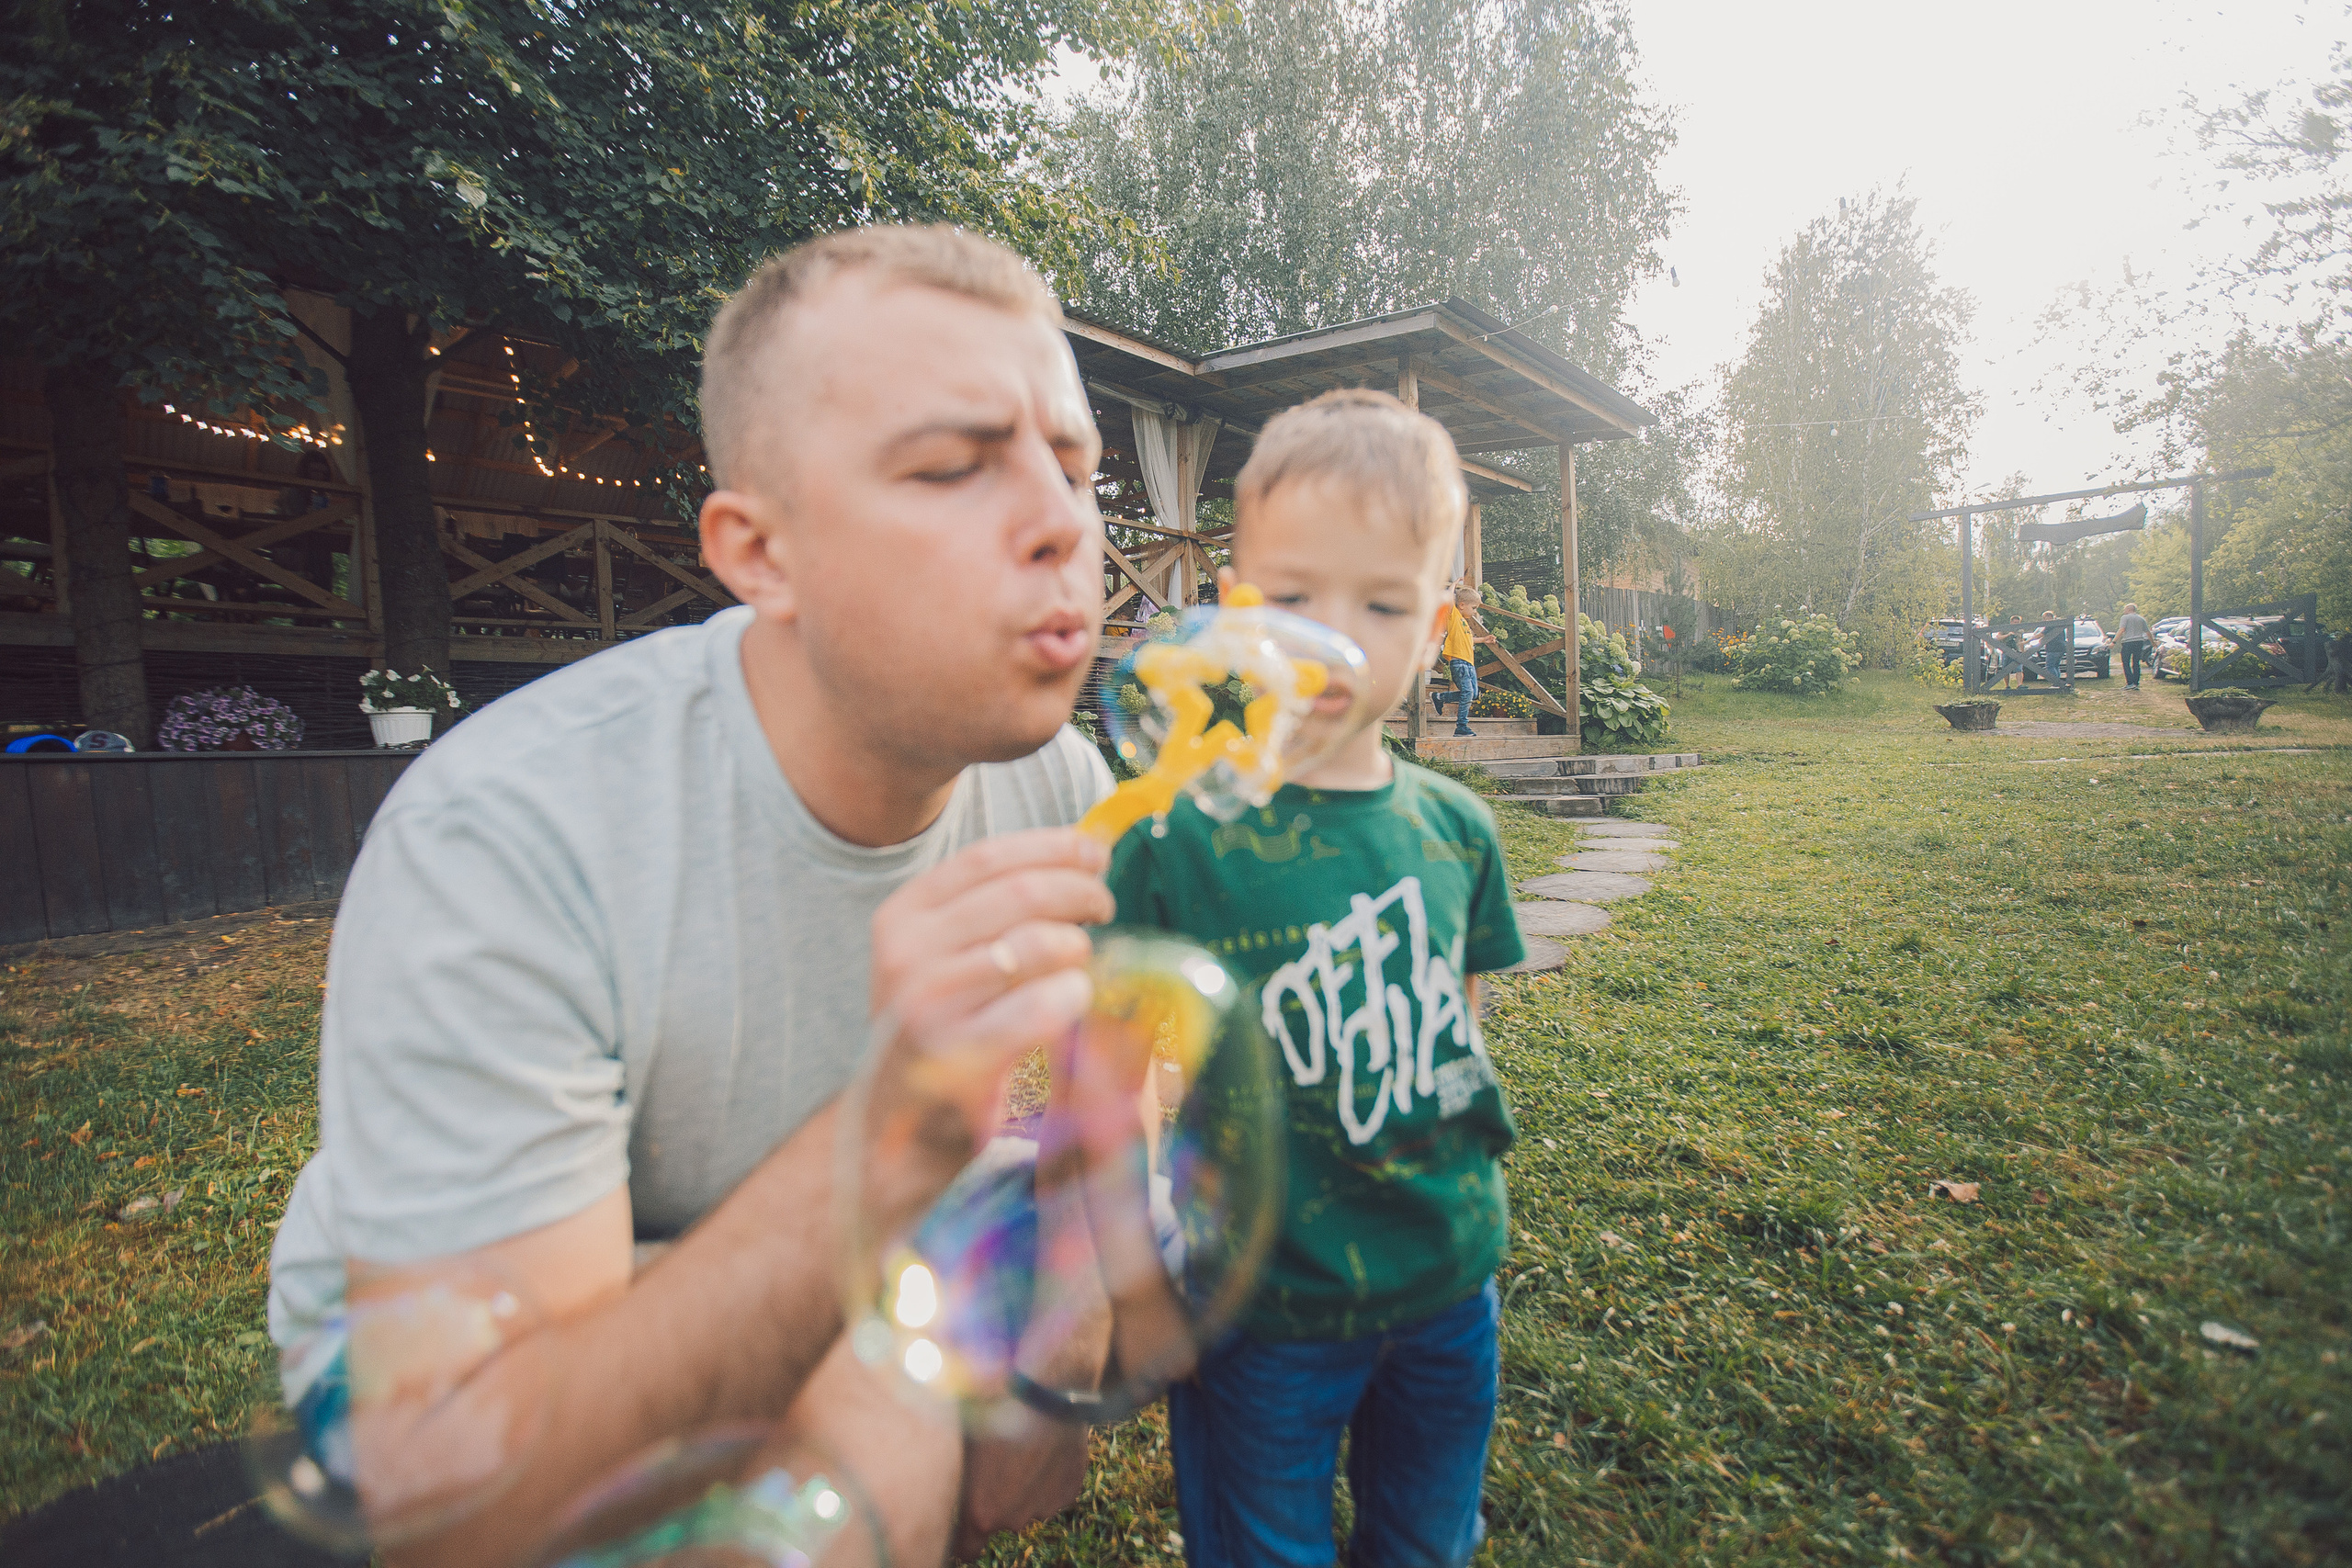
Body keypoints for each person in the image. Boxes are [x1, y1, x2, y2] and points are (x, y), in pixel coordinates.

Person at [267, 226, 1125, 1568]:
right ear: (760, 554)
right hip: (454, 1364)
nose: (1062, 520)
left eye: (1076, 465)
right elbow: (464, 1495)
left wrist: (1062, 1317)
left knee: (884, 1414)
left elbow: (1089, 1090)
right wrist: (893, 1136)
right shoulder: (507, 830)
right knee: (866, 1428)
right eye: (955, 464)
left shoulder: (1066, 780)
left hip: (822, 1245)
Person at [1103, 389, 1527, 1568]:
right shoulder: (1173, 840)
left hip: (1447, 1291)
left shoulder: (1458, 831)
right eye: (1292, 600)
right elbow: (1105, 1075)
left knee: (1424, 1538)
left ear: (1435, 621)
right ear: (1237, 611)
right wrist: (1138, 1291)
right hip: (1258, 1311)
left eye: (1382, 604)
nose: (1333, 638)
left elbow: (1454, 1030)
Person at [1430, 581, 1495, 736]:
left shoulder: (1464, 623)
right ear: (1462, 605)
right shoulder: (1454, 616)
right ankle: (1461, 727)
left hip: (1469, 664)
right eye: (1474, 608)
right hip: (1459, 662)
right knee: (1467, 692)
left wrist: (1483, 639)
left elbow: (1467, 639)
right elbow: (1449, 599)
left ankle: (1439, 697)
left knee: (1473, 694)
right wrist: (1454, 585)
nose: (1475, 612)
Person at [2117, 601, 2153, 690]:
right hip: (2139, 642)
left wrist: (2114, 641)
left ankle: (2130, 682)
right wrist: (2153, 642)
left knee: (2126, 662)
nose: (2124, 611)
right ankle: (2136, 683)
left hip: (2128, 642)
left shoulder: (2125, 618)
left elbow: (2122, 629)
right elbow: (2148, 632)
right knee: (2136, 663)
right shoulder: (2141, 619)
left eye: (2125, 609)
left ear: (2129, 609)